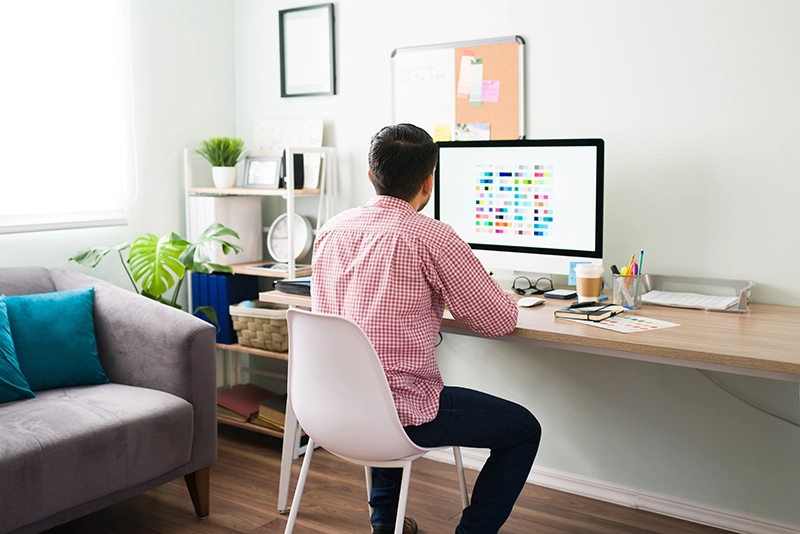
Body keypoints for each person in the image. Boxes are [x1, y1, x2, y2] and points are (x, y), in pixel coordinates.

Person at [311, 123, 542, 534]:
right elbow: (498, 321)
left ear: (371, 175)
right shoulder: (431, 237)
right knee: (524, 430)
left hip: (333, 407)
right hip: (400, 414)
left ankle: (386, 524)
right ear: (428, 182)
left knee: (382, 384)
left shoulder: (331, 230)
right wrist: (502, 292)